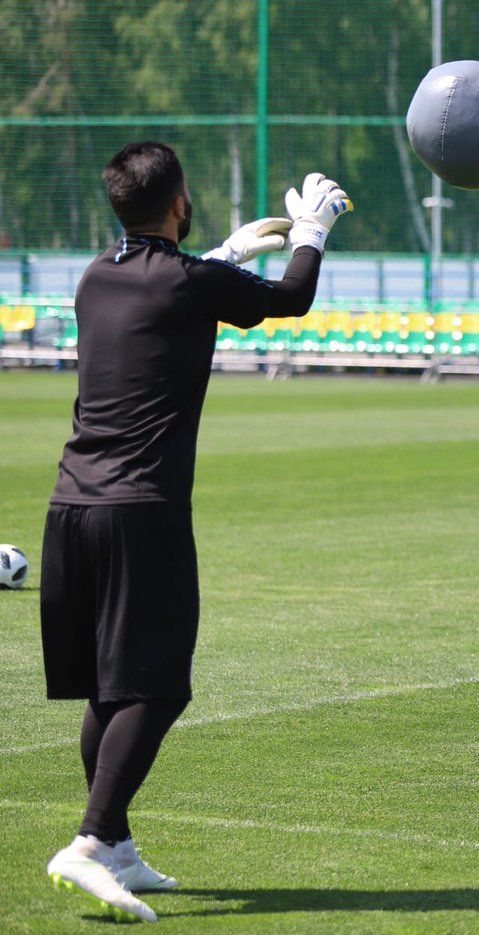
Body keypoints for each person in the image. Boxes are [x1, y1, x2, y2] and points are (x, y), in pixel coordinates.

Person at [40, 142, 354, 923]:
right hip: (140, 511)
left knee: (112, 688)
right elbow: (291, 299)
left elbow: (162, 289)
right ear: (179, 202)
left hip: (71, 508)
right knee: (158, 684)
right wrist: (313, 229)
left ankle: (113, 842)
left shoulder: (94, 277)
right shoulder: (192, 281)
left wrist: (221, 253)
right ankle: (86, 843)